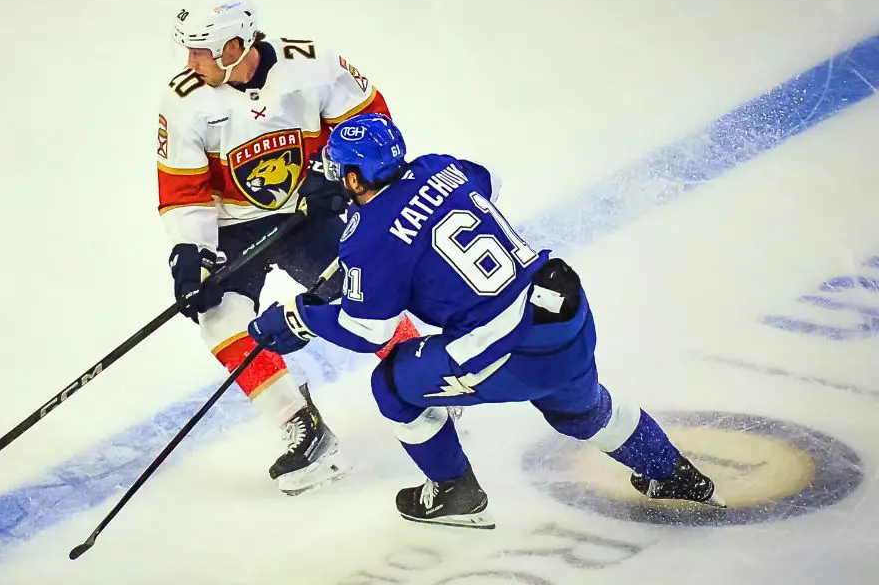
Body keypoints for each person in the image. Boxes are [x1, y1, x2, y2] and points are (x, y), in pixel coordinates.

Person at [247, 113, 726, 527]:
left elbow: (368, 330)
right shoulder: (439, 166)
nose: (332, 178)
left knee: (390, 385)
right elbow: (489, 183)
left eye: (338, 171)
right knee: (584, 411)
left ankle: (455, 492)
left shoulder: (367, 240)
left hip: (508, 348)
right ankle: (675, 474)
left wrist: (299, 317)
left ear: (354, 179)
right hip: (565, 310)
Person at [157, 0, 422, 495]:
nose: (190, 61)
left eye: (200, 50)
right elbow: (184, 190)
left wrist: (335, 174)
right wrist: (190, 253)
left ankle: (422, 380)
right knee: (220, 322)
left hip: (307, 210)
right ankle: (303, 428)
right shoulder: (184, 100)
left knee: (362, 292)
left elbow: (373, 125)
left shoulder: (313, 65)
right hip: (234, 225)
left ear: (235, 45)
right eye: (187, 49)